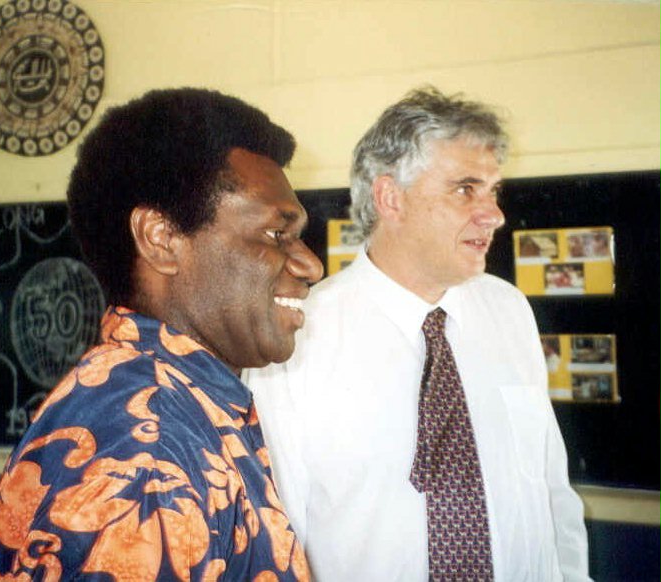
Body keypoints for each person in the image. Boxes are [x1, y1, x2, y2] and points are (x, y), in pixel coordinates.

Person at [0, 88, 323, 581]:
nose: (311, 265)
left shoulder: (168, 405)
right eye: (276, 234)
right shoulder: (146, 459)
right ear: (161, 241)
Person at [244, 87, 590, 581]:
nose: (494, 214)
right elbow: (278, 535)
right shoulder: (299, 335)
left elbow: (554, 494)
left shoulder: (508, 310)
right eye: (466, 188)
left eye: (493, 191)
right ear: (391, 198)